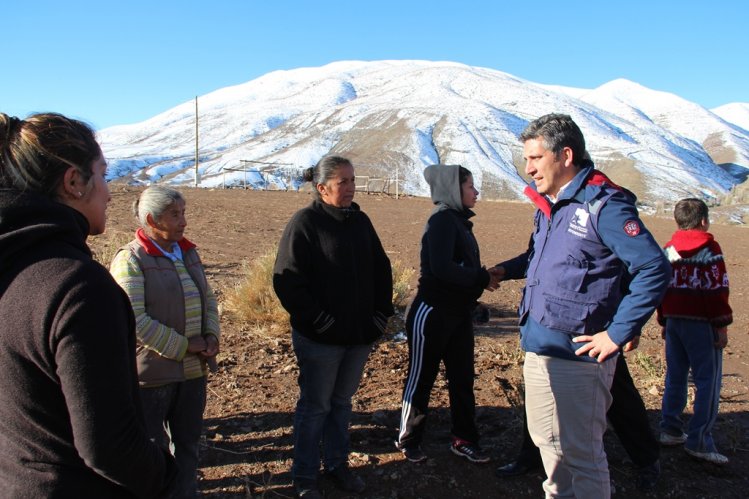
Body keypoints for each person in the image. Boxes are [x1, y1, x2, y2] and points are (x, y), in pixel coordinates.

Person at [0, 112, 177, 497]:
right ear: (74, 182)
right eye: (103, 173)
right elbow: (110, 447)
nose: (110, 191)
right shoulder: (76, 288)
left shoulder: (11, 262)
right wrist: (166, 476)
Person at [494, 113, 670, 498]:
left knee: (582, 453)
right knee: (546, 443)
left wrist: (618, 332)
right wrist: (502, 271)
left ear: (565, 155)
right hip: (539, 345)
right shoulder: (551, 206)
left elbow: (653, 267)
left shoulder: (604, 206)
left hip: (580, 355)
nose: (528, 169)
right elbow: (540, 258)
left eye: (535, 159)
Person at [273, 155, 394, 499]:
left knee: (341, 403)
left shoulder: (360, 220)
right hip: (320, 340)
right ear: (322, 188)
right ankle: (305, 475)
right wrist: (319, 320)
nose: (351, 188)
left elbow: (381, 269)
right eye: (344, 182)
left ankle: (337, 464)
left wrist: (380, 315)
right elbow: (287, 281)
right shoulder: (305, 223)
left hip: (358, 337)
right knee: (315, 406)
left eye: (353, 180)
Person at [110, 185, 220, 498]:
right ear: (152, 220)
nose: (183, 221)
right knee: (151, 447)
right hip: (153, 376)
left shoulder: (188, 251)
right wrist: (186, 345)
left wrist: (211, 335)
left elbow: (208, 298)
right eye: (175, 215)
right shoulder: (130, 259)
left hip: (193, 372)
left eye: (183, 213)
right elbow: (134, 320)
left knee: (188, 443)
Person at [395, 164, 500, 465]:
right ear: (455, 190)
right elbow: (442, 269)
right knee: (421, 377)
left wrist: (472, 301)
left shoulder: (458, 222)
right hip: (432, 314)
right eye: (470, 186)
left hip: (456, 313)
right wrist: (481, 279)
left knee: (462, 378)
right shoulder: (441, 221)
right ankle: (408, 439)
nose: (476, 192)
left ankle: (464, 439)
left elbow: (458, 270)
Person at [495, 349, 662, 492]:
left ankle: (647, 458)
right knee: (541, 394)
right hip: (547, 334)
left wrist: (626, 330)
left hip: (594, 331)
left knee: (619, 392)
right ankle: (531, 455)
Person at [657, 198, 732, 465]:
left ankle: (670, 428)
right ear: (703, 220)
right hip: (702, 323)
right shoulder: (709, 248)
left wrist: (664, 319)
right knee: (707, 382)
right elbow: (716, 289)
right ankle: (699, 440)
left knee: (675, 376)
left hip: (675, 321)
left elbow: (661, 286)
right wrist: (720, 323)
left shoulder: (669, 249)